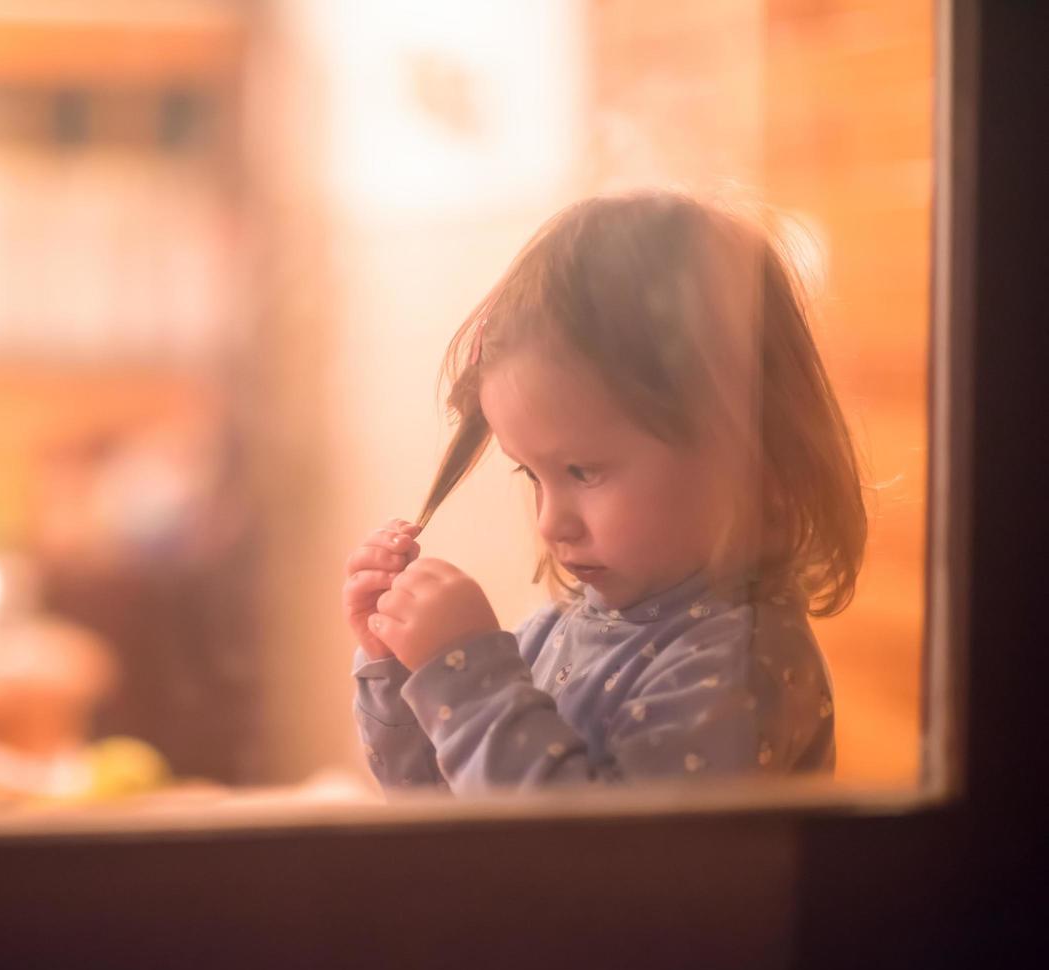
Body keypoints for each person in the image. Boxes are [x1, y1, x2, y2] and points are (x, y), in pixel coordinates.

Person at [343, 191, 866, 795]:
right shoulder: (558, 630)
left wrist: (468, 679)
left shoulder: (737, 663)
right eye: (531, 475)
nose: (549, 523)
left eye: (583, 472)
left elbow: (592, 865)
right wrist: (397, 668)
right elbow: (445, 814)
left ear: (746, 454)